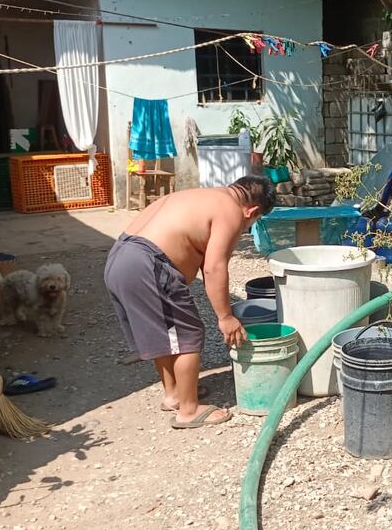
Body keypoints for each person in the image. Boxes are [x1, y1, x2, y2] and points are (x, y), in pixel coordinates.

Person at [104, 176, 276, 429]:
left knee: (165, 331)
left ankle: (174, 394)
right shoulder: (230, 211)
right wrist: (226, 317)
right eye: (253, 221)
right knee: (188, 333)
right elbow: (214, 268)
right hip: (147, 265)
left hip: (120, 259)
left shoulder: (201, 196)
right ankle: (189, 410)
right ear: (252, 211)